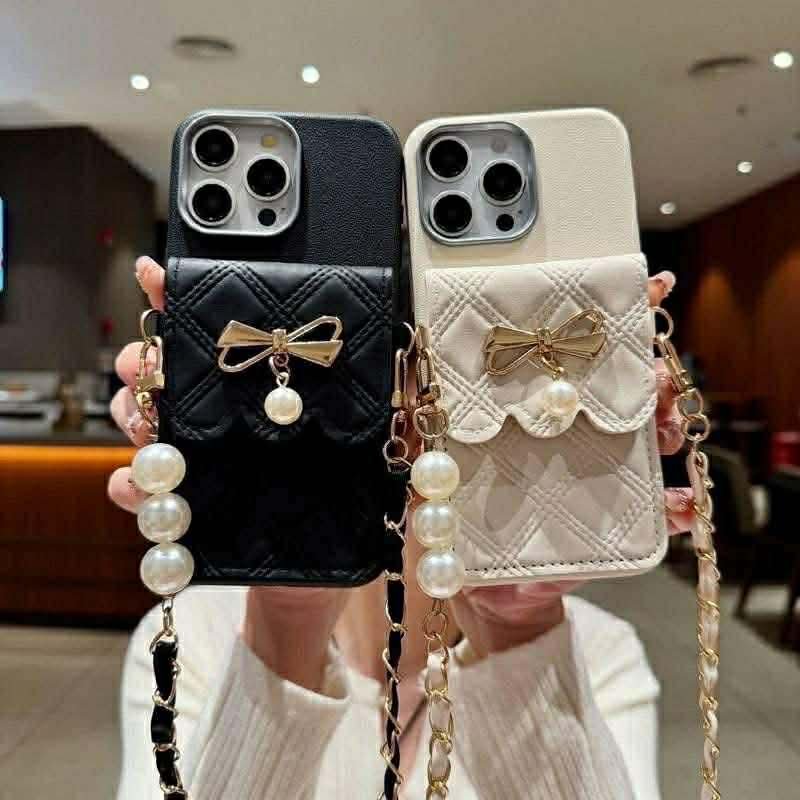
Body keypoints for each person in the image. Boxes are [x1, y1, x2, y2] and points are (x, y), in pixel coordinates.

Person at [110, 257, 694, 799]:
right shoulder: (192, 638)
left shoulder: (598, 653)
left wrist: (517, 628)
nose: (410, 410)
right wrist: (286, 621)